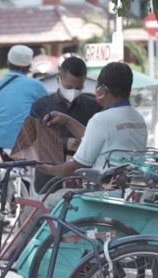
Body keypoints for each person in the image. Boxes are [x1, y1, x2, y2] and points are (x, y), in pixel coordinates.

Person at [37, 62, 147, 180]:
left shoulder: (101, 119)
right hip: (130, 190)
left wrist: (46, 168)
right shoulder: (138, 118)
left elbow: (76, 166)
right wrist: (67, 121)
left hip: (102, 193)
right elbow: (97, 137)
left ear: (102, 90)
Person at [29, 56, 101, 192]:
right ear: (58, 80)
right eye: (68, 87)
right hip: (49, 180)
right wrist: (64, 143)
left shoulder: (94, 106)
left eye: (78, 87)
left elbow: (101, 142)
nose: (73, 91)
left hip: (84, 180)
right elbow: (31, 144)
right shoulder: (41, 106)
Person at [0, 45, 48, 159]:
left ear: (9, 62)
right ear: (28, 66)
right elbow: (48, 109)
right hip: (24, 144)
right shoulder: (36, 85)